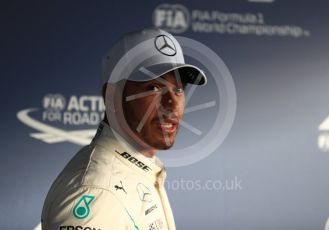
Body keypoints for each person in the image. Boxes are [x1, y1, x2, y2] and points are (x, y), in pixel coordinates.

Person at [41, 27, 207, 230]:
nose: (171, 103)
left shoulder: (139, 168)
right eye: (153, 88)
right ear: (111, 97)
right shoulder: (97, 191)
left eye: (178, 89)